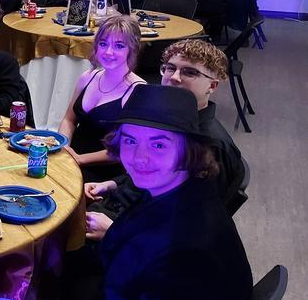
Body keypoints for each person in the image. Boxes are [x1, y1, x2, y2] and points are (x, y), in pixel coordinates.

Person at [0, 85, 253, 300]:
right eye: (130, 140)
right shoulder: (184, 191)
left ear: (189, 149)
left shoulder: (184, 245)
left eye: (159, 145)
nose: (139, 157)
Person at [86, 39, 246, 233]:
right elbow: (148, 168)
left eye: (189, 72)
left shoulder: (212, 147)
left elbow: (190, 226)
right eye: (170, 68)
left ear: (212, 86)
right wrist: (111, 184)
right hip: (124, 206)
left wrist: (113, 231)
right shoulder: (169, 121)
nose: (174, 77)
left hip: (137, 234)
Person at [59, 15, 145, 181]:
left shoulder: (138, 91)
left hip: (104, 173)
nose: (108, 52)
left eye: (119, 46)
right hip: (71, 158)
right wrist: (64, 147)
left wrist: (80, 159)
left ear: (132, 49)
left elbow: (126, 149)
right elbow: (68, 120)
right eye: (103, 43)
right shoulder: (88, 76)